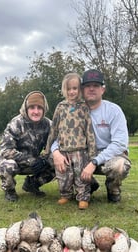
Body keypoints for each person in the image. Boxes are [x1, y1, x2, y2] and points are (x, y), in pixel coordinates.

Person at [52, 69, 131, 203]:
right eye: (88, 86)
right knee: (52, 158)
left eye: (96, 86)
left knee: (119, 165)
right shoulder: (70, 109)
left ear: (103, 90)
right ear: (82, 89)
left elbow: (120, 144)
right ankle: (84, 185)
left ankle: (113, 189)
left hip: (107, 155)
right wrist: (55, 152)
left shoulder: (114, 110)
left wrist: (94, 162)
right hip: (80, 153)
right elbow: (58, 134)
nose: (92, 89)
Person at [45, 73, 97, 210]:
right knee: (63, 175)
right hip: (63, 150)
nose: (72, 92)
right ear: (64, 90)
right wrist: (47, 149)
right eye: (69, 89)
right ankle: (65, 195)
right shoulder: (60, 107)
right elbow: (53, 129)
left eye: (75, 88)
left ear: (79, 89)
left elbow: (89, 131)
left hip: (80, 150)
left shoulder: (84, 107)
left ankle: (83, 197)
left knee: (81, 176)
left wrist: (92, 154)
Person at [0, 91, 55, 201]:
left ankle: (32, 184)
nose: (36, 112)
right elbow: (5, 150)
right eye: (32, 107)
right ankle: (10, 190)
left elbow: (55, 146)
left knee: (57, 161)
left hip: (36, 163)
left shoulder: (48, 125)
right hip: (16, 161)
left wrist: (43, 160)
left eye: (39, 108)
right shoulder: (16, 123)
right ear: (26, 108)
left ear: (44, 109)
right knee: (7, 165)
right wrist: (30, 160)